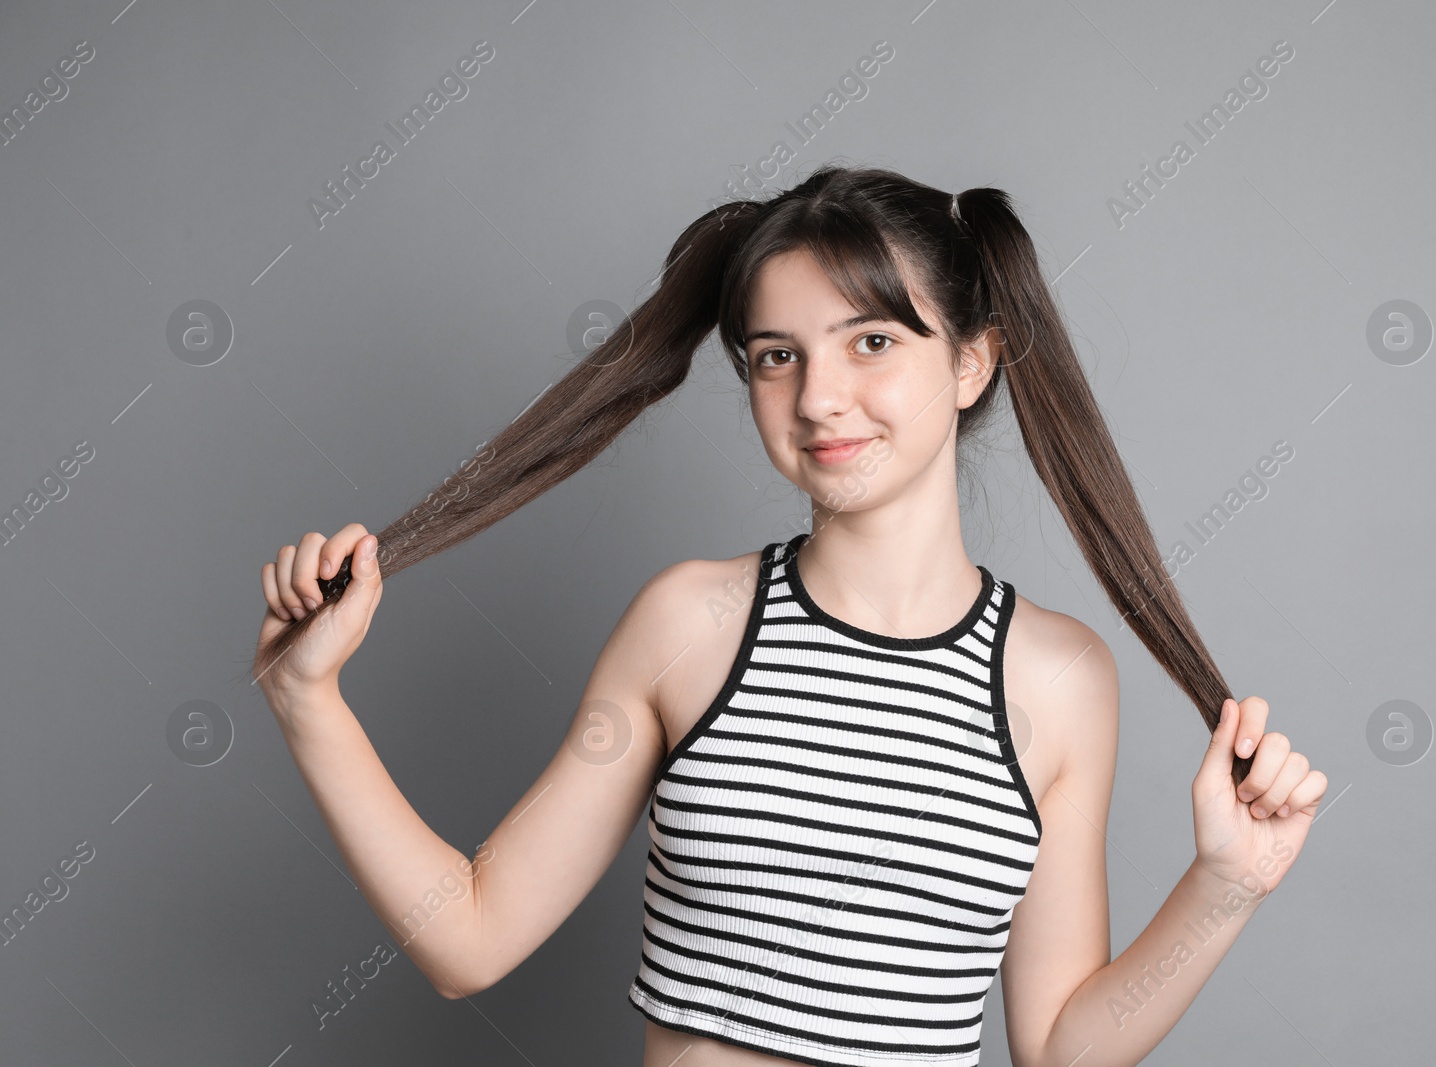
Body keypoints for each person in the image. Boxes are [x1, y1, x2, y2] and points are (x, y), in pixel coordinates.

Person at [250, 165, 1325, 1066]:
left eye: (870, 343)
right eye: (775, 355)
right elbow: (469, 938)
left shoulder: (1057, 678)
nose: (816, 397)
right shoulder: (690, 625)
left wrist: (1225, 884)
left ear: (968, 360)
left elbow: (1057, 1041)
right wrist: (309, 702)